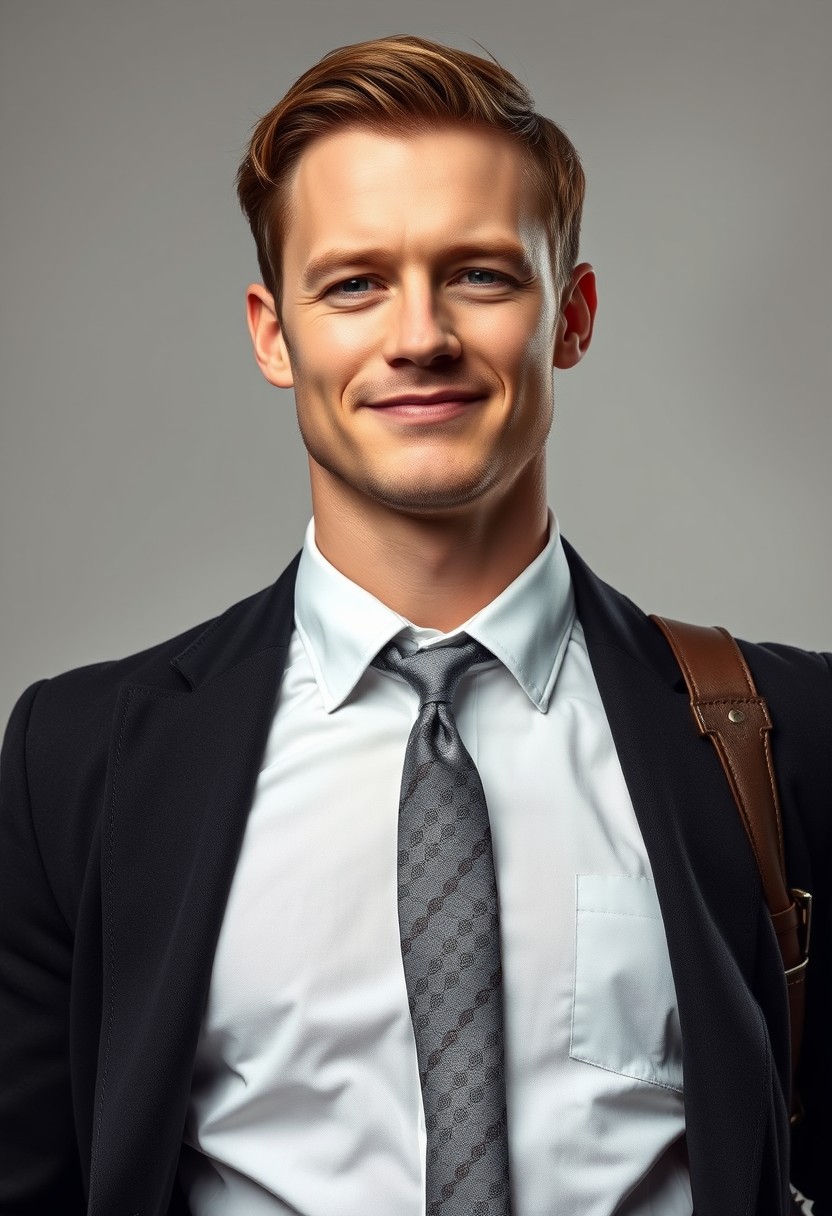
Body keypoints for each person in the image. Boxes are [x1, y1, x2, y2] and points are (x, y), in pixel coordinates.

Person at [0, 33, 828, 1216]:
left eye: (482, 274)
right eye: (353, 283)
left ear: (573, 315)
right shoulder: (78, 761)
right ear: (273, 333)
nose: (419, 335)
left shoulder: (784, 737)